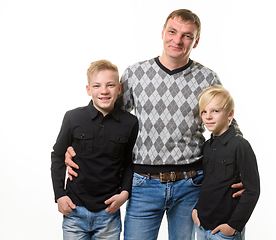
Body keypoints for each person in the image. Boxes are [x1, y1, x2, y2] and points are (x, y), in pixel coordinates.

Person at [65, 9, 245, 240]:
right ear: (162, 33)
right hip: (142, 185)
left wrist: (238, 166)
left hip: (190, 184)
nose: (177, 40)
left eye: (187, 35)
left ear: (196, 41)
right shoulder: (135, 74)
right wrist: (76, 147)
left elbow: (227, 123)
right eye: (172, 31)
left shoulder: (207, 78)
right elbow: (107, 116)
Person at [51, 59, 139, 239]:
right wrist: (59, 195)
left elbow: (129, 162)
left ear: (119, 88)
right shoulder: (73, 118)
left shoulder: (130, 123)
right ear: (88, 89)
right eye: (97, 86)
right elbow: (58, 156)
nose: (104, 91)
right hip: (75, 211)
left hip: (108, 214)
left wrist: (124, 193)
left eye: (110, 85)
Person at [192, 85, 260, 240]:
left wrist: (233, 226)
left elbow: (252, 190)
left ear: (230, 114)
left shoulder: (240, 146)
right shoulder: (207, 146)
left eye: (215, 111)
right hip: (202, 227)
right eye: (204, 111)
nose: (208, 116)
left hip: (225, 232)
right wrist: (196, 209)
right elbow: (207, 184)